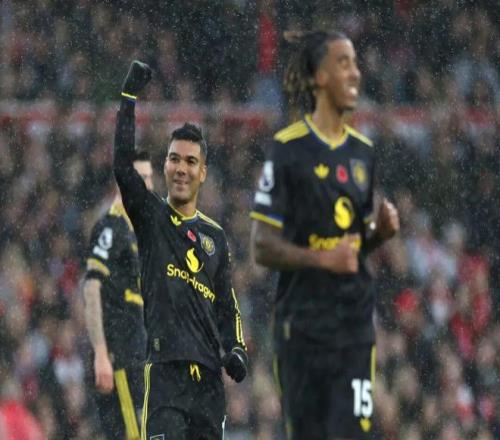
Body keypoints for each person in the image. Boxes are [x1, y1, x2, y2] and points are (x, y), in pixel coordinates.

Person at [250, 30, 400, 440]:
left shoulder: (363, 153)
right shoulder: (287, 150)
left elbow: (353, 247)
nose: (356, 73)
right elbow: (261, 245)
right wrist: (322, 259)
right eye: (343, 63)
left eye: (356, 64)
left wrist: (378, 233)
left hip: (353, 326)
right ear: (319, 77)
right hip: (302, 327)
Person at [113, 61, 248, 440]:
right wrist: (128, 99)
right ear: (165, 166)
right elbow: (123, 167)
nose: (181, 169)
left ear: (202, 172)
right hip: (166, 374)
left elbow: (227, 304)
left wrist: (237, 348)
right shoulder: (151, 215)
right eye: (174, 159)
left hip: (209, 384)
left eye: (191, 161)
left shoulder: (215, 237)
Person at [83, 150, 154, 439]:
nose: (148, 185)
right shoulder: (110, 228)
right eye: (141, 178)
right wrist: (101, 352)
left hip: (139, 355)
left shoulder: (137, 232)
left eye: (150, 178)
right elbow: (91, 288)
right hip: (120, 356)